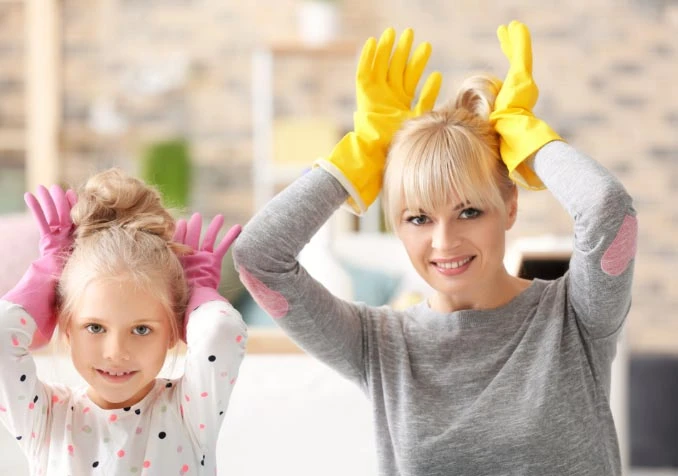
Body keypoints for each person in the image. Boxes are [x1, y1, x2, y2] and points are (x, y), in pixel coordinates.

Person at [233, 21, 637, 476]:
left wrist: (529, 140)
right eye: (419, 218)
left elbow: (610, 211)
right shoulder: (380, 345)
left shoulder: (574, 318)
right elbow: (258, 258)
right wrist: (357, 156)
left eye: (469, 212)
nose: (444, 243)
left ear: (508, 206)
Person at [0, 169, 247, 475]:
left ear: (174, 330)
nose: (116, 352)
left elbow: (221, 331)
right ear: (66, 326)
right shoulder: (46, 419)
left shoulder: (189, 413)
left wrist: (196, 291)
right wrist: (47, 271)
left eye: (142, 329)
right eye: (95, 327)